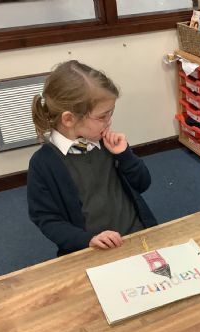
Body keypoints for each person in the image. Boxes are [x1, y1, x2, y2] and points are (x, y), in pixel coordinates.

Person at [28, 60, 157, 256]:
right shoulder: (43, 164)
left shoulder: (108, 144)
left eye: (110, 113)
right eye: (102, 117)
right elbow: (47, 219)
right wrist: (86, 240)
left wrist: (125, 155)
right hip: (92, 249)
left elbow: (142, 183)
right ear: (69, 119)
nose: (109, 122)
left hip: (137, 235)